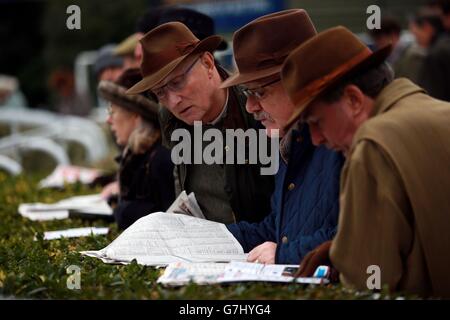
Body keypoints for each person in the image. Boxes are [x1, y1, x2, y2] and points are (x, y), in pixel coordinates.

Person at [281, 26, 450, 297]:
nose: (315, 139)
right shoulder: (439, 112)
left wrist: (348, 259)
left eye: (316, 122)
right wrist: (341, 248)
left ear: (354, 99)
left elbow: (368, 280)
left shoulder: (372, 145)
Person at [220, 9, 343, 264]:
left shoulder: (343, 140)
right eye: (246, 93)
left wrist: (284, 255)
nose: (250, 106)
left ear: (301, 82)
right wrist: (208, 238)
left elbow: (358, 236)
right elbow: (279, 228)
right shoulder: (290, 140)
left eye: (260, 93)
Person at [127, 22, 274, 224]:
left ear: (207, 63)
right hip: (202, 245)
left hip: (256, 245)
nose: (173, 101)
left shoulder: (257, 108)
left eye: (177, 82)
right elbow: (181, 182)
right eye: (160, 92)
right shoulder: (168, 116)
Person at [98, 68, 175, 229]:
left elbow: (169, 223)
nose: (109, 120)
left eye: (113, 111)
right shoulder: (143, 156)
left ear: (135, 115)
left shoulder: (161, 160)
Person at [368, 17, 425, 83]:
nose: (378, 44)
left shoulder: (414, 57)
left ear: (393, 35)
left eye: (379, 39)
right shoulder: (387, 57)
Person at [410, 12, 450, 101]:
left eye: (416, 34)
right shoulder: (444, 46)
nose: (416, 40)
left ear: (427, 28)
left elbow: (434, 94)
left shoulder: (436, 53)